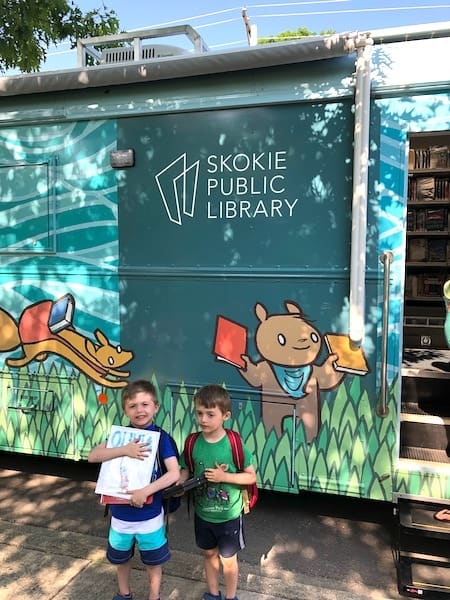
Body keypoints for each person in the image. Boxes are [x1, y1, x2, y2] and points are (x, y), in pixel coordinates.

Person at [88, 379, 179, 600]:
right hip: (120, 515)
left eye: (145, 404)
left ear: (155, 407)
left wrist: (145, 491)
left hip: (150, 516)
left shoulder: (162, 439)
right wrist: (124, 450)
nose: (140, 410)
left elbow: (174, 473)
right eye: (133, 406)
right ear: (125, 410)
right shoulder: (120, 436)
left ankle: (154, 596)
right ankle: (124, 593)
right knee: (121, 559)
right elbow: (93, 456)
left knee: (153, 562)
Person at [179, 384, 257, 600]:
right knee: (208, 554)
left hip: (229, 516)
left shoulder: (234, 443)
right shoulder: (192, 442)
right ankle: (213, 594)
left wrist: (225, 477)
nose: (203, 419)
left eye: (210, 414)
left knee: (228, 559)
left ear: (225, 415)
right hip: (203, 514)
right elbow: (185, 470)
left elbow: (251, 477)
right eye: (200, 413)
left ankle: (231, 597)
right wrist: (178, 486)